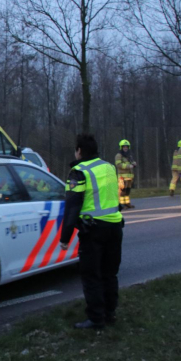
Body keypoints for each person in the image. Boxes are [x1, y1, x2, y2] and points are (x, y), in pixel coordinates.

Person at [60, 134, 124, 330]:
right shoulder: (109, 167)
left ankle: (96, 318)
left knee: (91, 275)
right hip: (115, 226)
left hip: (93, 231)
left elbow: (72, 207)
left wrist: (65, 238)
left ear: (79, 151)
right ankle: (110, 313)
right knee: (109, 274)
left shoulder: (79, 172)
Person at [115, 139, 136, 209]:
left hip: (129, 177)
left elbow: (132, 162)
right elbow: (118, 165)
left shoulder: (129, 155)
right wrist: (128, 166)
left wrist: (134, 163)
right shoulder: (118, 155)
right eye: (124, 147)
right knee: (122, 191)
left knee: (127, 191)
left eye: (127, 147)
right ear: (121, 147)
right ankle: (121, 205)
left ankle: (127, 203)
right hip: (122, 177)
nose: (125, 148)